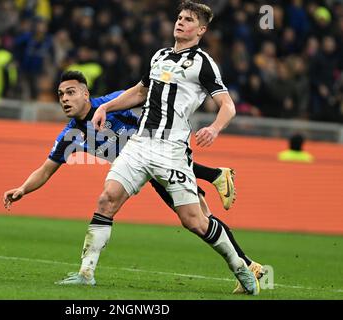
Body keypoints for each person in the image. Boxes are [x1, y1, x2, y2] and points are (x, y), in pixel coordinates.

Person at [55, 1, 261, 294]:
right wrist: (106, 108)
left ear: (201, 30)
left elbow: (228, 105)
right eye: (179, 17)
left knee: (194, 221)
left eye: (188, 20)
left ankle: (241, 268)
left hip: (171, 149)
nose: (180, 22)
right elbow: (140, 92)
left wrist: (214, 128)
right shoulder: (160, 56)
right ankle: (86, 272)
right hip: (139, 144)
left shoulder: (203, 63)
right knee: (107, 199)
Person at [4, 69, 263, 295]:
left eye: (70, 92)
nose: (64, 99)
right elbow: (46, 169)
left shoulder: (112, 103)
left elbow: (148, 99)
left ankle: (243, 259)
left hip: (164, 155)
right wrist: (23, 189)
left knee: (199, 219)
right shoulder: (70, 134)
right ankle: (86, 273)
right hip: (139, 171)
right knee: (188, 218)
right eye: (61, 95)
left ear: (85, 94)